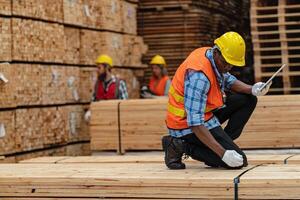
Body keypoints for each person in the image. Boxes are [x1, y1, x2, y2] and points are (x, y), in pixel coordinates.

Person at [162, 32, 272, 170]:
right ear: (217, 52)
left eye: (231, 65)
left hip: (207, 116)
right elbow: (195, 123)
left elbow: (227, 79)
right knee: (240, 161)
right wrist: (223, 153)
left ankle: (215, 149)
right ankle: (179, 145)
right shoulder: (199, 77)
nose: (227, 68)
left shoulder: (211, 56)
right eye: (226, 63)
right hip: (185, 125)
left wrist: (252, 89)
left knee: (248, 99)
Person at [84, 54, 128, 121]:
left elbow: (125, 105)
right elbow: (94, 101)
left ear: (107, 67)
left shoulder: (119, 84)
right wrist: (89, 111)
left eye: (99, 68)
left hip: (115, 121)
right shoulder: (97, 85)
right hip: (100, 121)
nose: (97, 70)